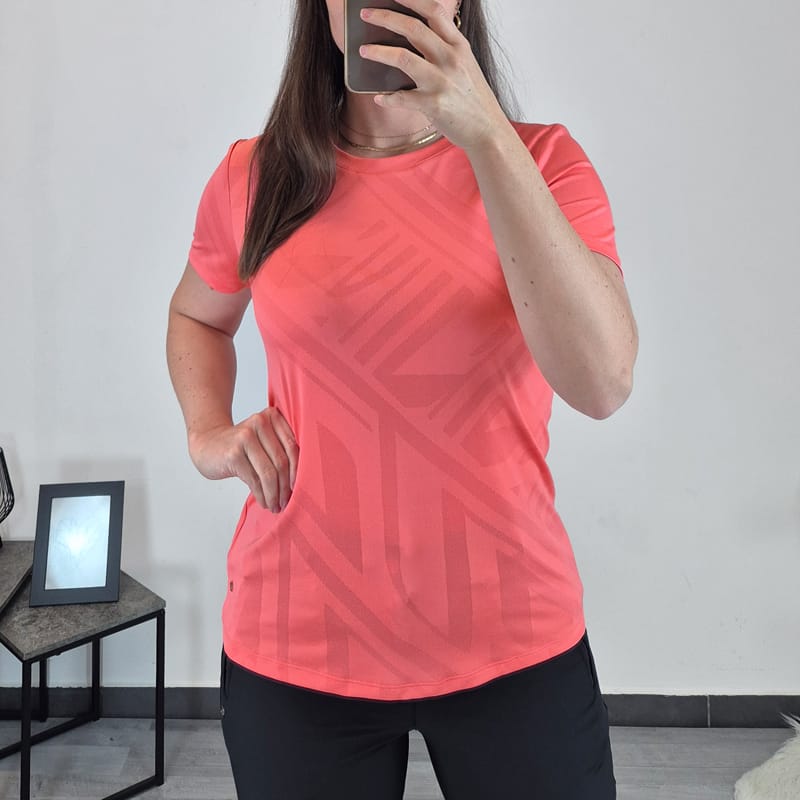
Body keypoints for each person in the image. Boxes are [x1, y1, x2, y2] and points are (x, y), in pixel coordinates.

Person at [166, 0, 638, 797]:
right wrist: (207, 431)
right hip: (297, 638)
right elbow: (196, 316)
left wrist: (484, 136)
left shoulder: (543, 162)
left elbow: (603, 383)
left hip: (511, 631)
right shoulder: (256, 176)